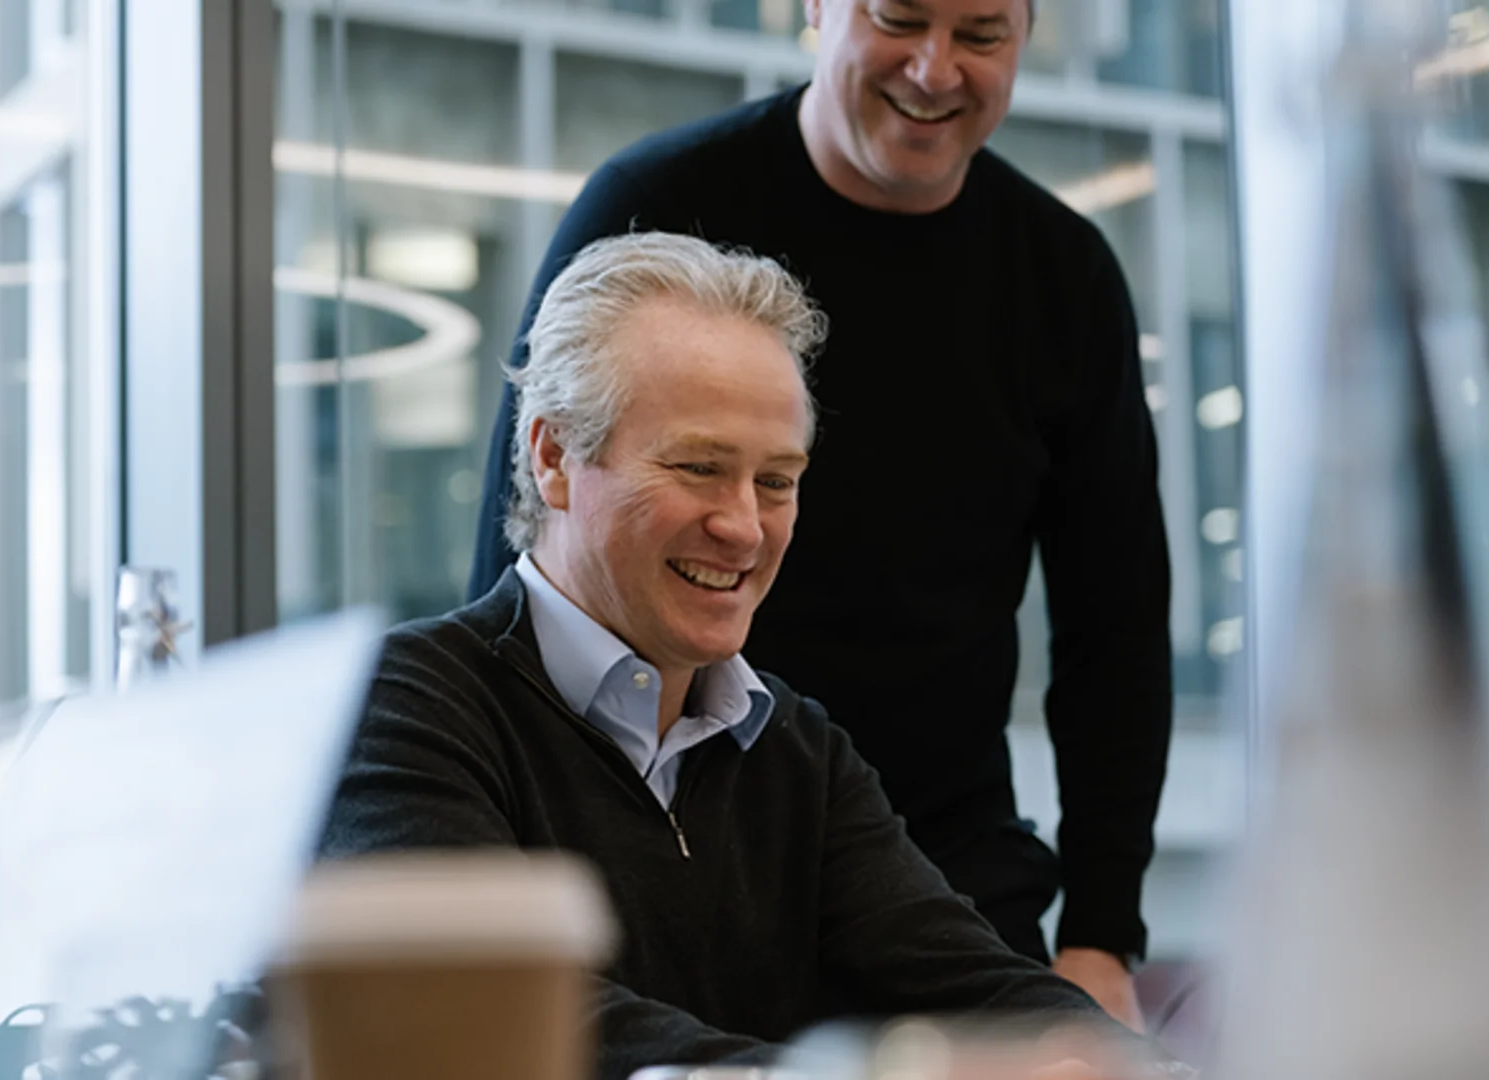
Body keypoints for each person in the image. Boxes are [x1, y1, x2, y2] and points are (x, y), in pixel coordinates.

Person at [465, 0, 1172, 1029]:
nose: (934, 70)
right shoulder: (660, 206)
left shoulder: (1061, 276)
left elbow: (1115, 628)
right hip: (658, 866)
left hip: (939, 872)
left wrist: (1102, 936)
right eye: (898, 18)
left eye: (981, 36)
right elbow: (522, 544)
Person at [321, 233, 1171, 1080]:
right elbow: (511, 1020)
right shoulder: (404, 707)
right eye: (698, 467)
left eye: (776, 481)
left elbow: (974, 984)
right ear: (554, 457)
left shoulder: (797, 750)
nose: (744, 527)